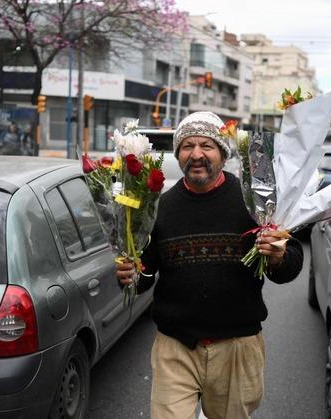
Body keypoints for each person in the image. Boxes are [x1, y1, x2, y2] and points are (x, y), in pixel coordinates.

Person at [116, 111, 303, 419]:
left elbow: (291, 262)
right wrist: (132, 276)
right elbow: (146, 272)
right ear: (178, 155)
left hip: (237, 346)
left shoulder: (253, 202)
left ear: (223, 154)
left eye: (207, 145)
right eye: (188, 146)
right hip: (175, 346)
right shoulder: (160, 207)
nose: (197, 154)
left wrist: (278, 256)